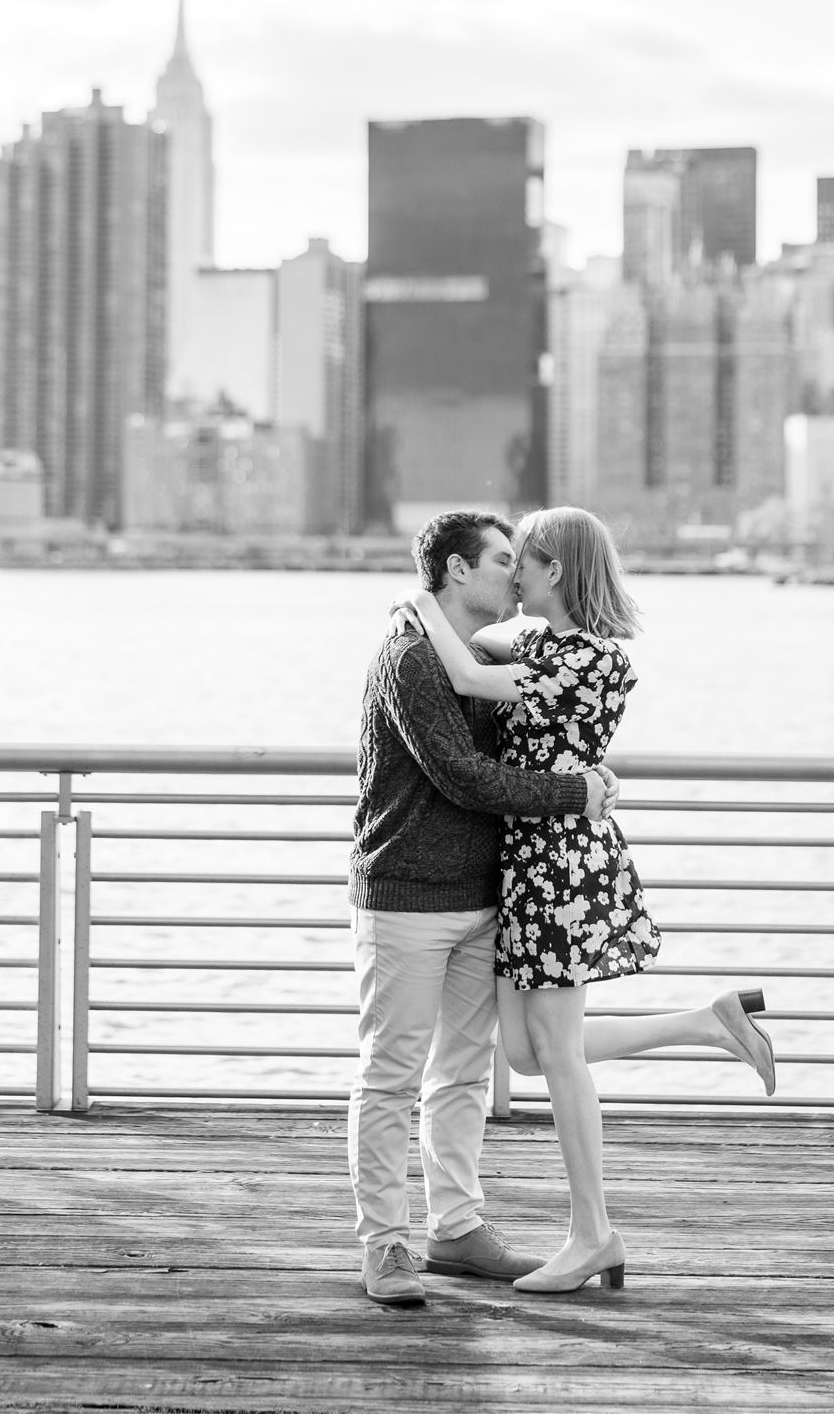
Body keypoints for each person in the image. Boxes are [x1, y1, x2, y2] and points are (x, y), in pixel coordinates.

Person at [407, 504, 776, 1295]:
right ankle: (704, 1022)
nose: (513, 574)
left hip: (562, 861)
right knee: (526, 1051)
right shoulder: (542, 644)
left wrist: (412, 611)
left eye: (524, 561)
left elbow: (469, 673)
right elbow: (476, 644)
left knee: (559, 1058)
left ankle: (591, 1234)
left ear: (558, 572)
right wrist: (442, 619)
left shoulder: (593, 660)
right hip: (531, 857)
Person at [348, 508, 620, 1308]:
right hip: (407, 896)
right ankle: (386, 1247)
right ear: (459, 571)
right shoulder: (410, 660)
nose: (516, 570)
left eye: (524, 558)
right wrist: (579, 792)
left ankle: (457, 1229)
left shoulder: (483, 649)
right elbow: (464, 776)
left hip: (484, 896)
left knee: (463, 1074)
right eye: (504, 558)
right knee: (392, 1075)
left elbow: (544, 717)